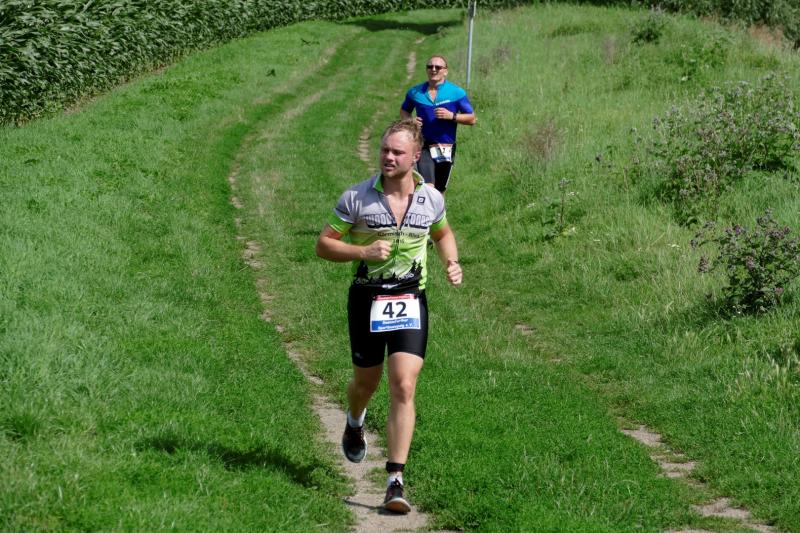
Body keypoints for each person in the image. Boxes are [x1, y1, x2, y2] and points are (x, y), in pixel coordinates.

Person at [315, 119, 462, 514]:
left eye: (398, 152)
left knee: (404, 384)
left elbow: (443, 234)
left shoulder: (431, 199)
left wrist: (451, 262)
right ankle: (354, 419)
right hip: (367, 299)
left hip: (411, 298)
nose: (389, 157)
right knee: (366, 383)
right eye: (385, 150)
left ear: (416, 157)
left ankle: (395, 480)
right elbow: (323, 245)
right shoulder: (357, 198)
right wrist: (362, 252)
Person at [400, 54, 476, 194]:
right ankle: (425, 207)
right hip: (423, 144)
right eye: (430, 66)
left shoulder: (456, 93)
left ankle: (438, 209)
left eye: (438, 67)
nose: (433, 69)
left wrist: (452, 116)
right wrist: (410, 121)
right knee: (428, 186)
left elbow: (472, 118)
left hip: (446, 146)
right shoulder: (415, 92)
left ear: (445, 71)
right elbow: (404, 110)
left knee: (439, 191)